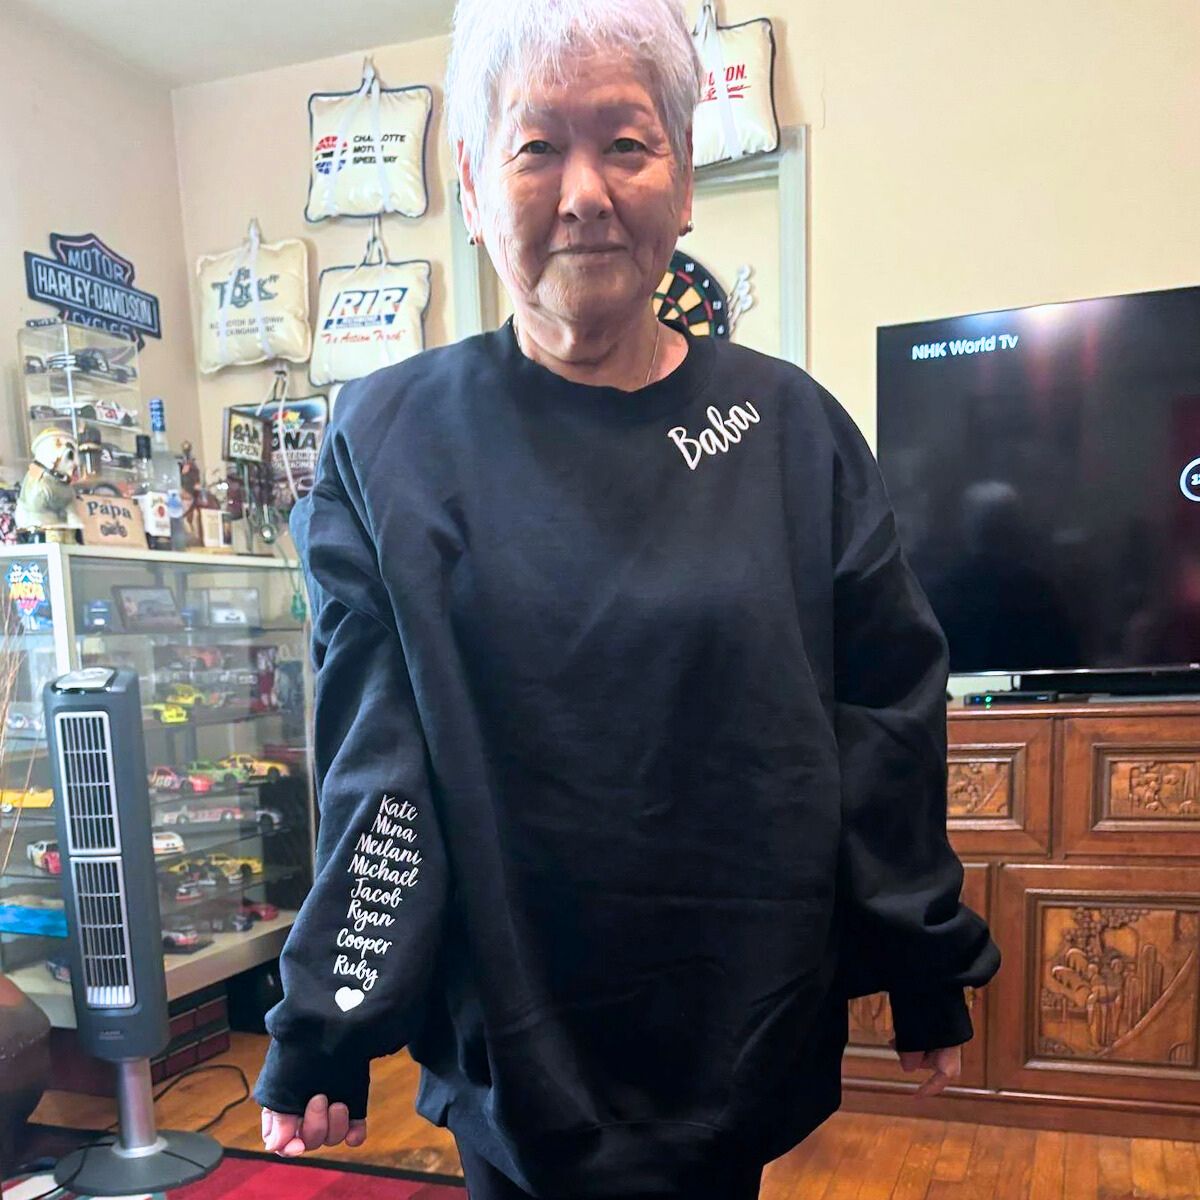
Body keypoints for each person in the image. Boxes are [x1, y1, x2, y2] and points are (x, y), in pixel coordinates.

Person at [253, 0, 1001, 1195]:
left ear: (687, 174)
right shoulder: (383, 441)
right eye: (537, 146)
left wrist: (921, 958)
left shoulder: (791, 431)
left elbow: (888, 716)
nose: (585, 191)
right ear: (469, 176)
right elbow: (372, 758)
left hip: (739, 1019)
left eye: (628, 143)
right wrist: (333, 1014)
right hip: (511, 1029)